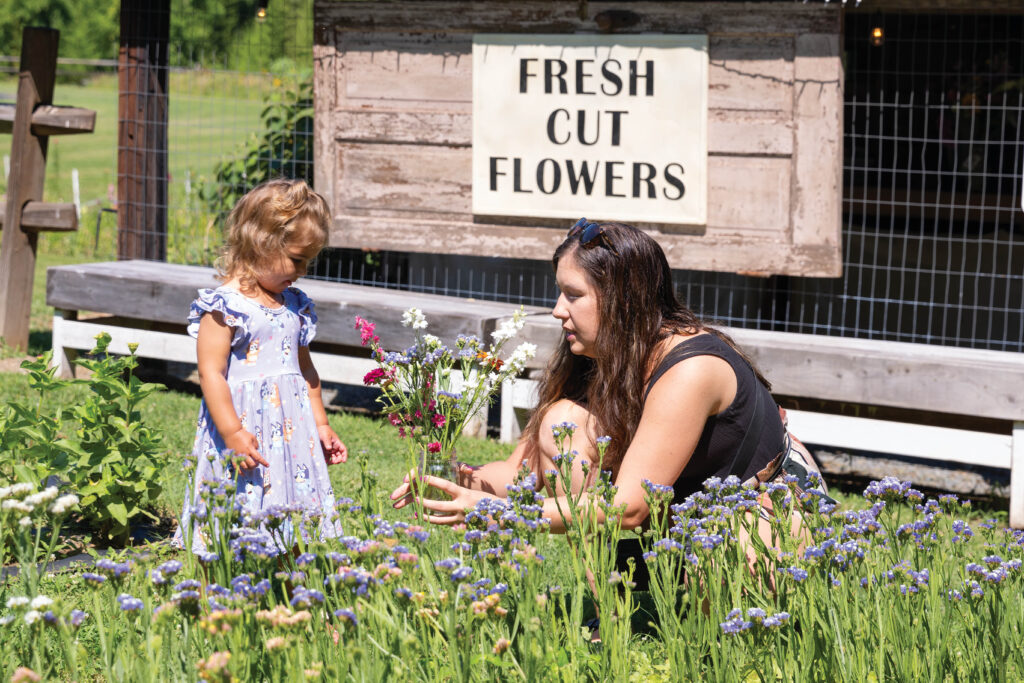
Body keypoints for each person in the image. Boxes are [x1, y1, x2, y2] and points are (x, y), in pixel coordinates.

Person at [390, 218, 799, 550]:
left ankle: (664, 594)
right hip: (691, 521)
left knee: (720, 565)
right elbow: (521, 475)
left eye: (572, 295)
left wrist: (501, 513)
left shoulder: (689, 368)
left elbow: (632, 507)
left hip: (764, 517)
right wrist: (455, 479)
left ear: (622, 299)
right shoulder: (604, 353)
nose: (556, 311)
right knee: (561, 420)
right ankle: (611, 603)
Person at [174, 179, 347, 552]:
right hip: (242, 427)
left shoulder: (294, 304)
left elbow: (307, 371)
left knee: (291, 513)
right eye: (297, 259)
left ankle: (287, 592)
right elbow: (211, 373)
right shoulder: (225, 307)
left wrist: (321, 424)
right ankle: (210, 592)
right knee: (227, 512)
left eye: (308, 261)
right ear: (261, 243)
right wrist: (233, 432)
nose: (301, 271)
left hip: (290, 433)